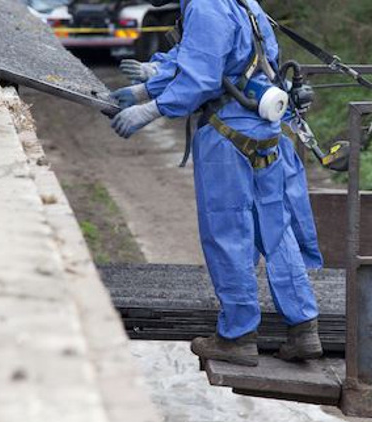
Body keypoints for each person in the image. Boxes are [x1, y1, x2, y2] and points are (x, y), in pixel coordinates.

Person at [110, 0, 322, 367]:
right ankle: (304, 329)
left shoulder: (205, 7)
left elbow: (202, 78)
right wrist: (153, 77)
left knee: (228, 232)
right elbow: (212, 56)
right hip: (265, 130)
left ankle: (237, 336)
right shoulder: (244, 3)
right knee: (276, 230)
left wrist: (150, 108)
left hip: (228, 136)